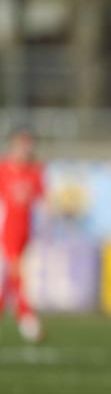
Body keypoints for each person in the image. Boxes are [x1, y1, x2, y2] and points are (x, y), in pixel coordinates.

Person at [0, 127, 44, 343]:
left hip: (26, 233)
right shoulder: (3, 170)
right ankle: (27, 318)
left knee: (11, 279)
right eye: (22, 144)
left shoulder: (34, 172)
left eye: (29, 144)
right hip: (6, 231)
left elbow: (41, 202)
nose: (27, 149)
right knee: (12, 276)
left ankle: (26, 317)